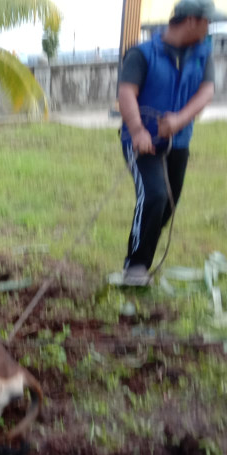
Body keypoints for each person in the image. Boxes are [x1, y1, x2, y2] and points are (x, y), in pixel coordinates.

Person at [118, 0, 223, 286]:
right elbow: (126, 92)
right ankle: (135, 267)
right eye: (207, 21)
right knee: (154, 195)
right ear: (190, 21)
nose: (209, 27)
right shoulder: (142, 54)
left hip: (179, 142)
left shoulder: (203, 53)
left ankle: (144, 252)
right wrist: (138, 130)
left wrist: (179, 120)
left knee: (169, 202)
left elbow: (206, 92)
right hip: (142, 142)